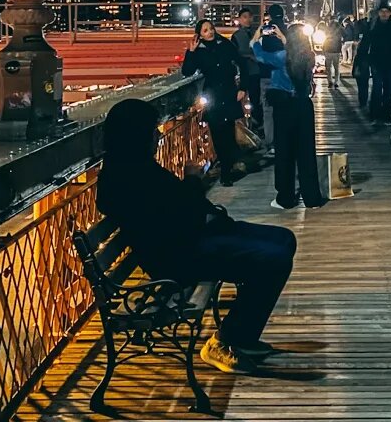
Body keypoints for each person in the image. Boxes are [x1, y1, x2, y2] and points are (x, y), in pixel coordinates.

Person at [96, 98, 298, 373]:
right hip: (178, 255)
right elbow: (173, 215)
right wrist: (192, 181)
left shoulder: (131, 163)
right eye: (152, 130)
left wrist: (202, 205)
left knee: (284, 239)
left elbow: (173, 207)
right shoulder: (128, 173)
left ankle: (244, 335)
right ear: (135, 134)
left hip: (190, 238)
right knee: (273, 258)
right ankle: (226, 340)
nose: (157, 136)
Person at [254, 22, 327, 210]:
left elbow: (260, 55)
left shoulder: (281, 56)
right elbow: (297, 52)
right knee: (306, 151)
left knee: (285, 152)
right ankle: (312, 197)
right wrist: (287, 39)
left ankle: (285, 198)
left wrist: (256, 40)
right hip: (303, 105)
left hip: (285, 105)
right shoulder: (309, 56)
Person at [181, 19, 246, 186]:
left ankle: (227, 169)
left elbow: (242, 63)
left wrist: (242, 88)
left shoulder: (225, 44)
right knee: (217, 134)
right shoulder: (199, 51)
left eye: (210, 28)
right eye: (205, 30)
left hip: (229, 93)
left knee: (228, 132)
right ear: (200, 34)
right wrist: (191, 52)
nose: (209, 32)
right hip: (213, 95)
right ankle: (227, 169)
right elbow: (187, 71)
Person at [358, 5, 391, 123]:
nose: (384, 14)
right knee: (377, 88)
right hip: (376, 62)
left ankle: (386, 115)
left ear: (390, 13)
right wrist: (362, 59)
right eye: (382, 11)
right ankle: (375, 114)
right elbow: (365, 43)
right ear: (378, 13)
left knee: (388, 89)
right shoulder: (372, 26)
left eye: (386, 11)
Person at [256, 4, 289, 155]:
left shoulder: (265, 30)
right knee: (284, 108)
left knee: (268, 110)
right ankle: (284, 141)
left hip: (266, 73)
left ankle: (271, 143)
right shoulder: (288, 30)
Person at [230, 8, 263, 132]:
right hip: (245, 73)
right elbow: (234, 56)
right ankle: (251, 126)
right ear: (239, 19)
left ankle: (257, 124)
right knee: (249, 99)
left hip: (257, 72)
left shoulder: (258, 33)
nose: (247, 19)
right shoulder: (236, 36)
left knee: (257, 99)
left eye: (249, 16)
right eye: (244, 17)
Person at [321, 17, 343, 87]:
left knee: (328, 68)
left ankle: (330, 81)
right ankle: (336, 82)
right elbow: (345, 34)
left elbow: (324, 39)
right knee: (336, 67)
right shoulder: (339, 29)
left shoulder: (327, 29)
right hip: (336, 50)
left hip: (328, 49)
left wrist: (323, 49)